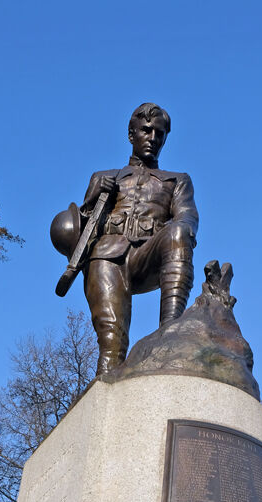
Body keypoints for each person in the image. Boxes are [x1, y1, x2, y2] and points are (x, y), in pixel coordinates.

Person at [51, 102, 198, 376]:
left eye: (159, 133)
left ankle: (169, 335)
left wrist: (179, 233)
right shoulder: (103, 177)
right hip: (107, 258)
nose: (153, 138)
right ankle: (105, 394)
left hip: (150, 255)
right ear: (131, 135)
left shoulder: (177, 180)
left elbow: (187, 217)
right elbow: (80, 227)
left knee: (179, 232)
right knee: (111, 344)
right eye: (146, 131)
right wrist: (94, 198)